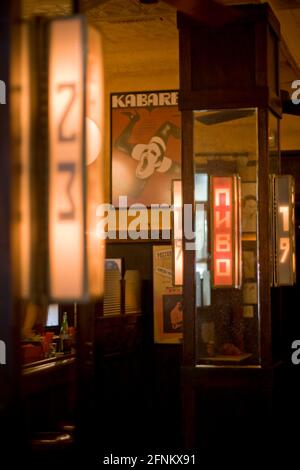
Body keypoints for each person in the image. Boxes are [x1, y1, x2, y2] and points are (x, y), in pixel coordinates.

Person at [114, 110, 181, 181]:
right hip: (160, 153)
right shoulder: (164, 165)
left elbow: (119, 144)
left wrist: (133, 120)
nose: (148, 152)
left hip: (146, 155)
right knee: (167, 126)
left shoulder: (140, 153)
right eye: (153, 153)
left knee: (119, 144)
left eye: (146, 151)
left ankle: (135, 118)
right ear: (158, 163)